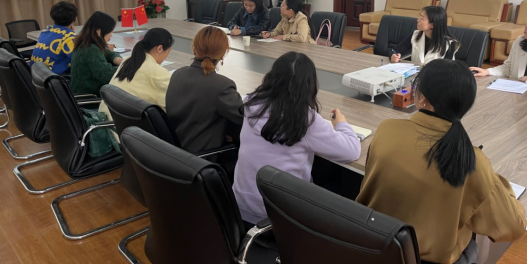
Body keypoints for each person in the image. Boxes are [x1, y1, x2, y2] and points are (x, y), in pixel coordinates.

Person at [356, 59, 526, 264]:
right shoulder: (472, 161)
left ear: (422, 99)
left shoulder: (386, 129)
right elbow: (514, 226)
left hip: (372, 250)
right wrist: (497, 183)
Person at [233, 52, 361, 225]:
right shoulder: (304, 119)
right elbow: (352, 151)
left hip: (241, 209)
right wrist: (341, 123)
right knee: (345, 187)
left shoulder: (252, 103)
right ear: (309, 86)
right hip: (282, 217)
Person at [166, 26, 243, 154]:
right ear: (223, 54)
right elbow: (246, 120)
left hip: (175, 152)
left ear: (194, 49)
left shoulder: (177, 74)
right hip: (204, 158)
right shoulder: (223, 86)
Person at [99, 28, 174, 119]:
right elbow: (176, 102)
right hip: (124, 126)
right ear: (159, 48)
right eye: (168, 52)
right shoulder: (158, 73)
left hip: (105, 120)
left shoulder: (128, 60)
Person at [70, 11, 123, 96]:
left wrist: (117, 59)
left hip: (84, 92)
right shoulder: (91, 49)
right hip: (90, 97)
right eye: (109, 31)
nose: (111, 35)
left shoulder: (86, 43)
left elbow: (108, 53)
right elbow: (107, 75)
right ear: (98, 31)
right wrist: (128, 67)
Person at [388, 6, 459, 64]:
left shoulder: (449, 44)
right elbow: (395, 50)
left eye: (422, 18)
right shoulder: (416, 35)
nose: (418, 20)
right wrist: (393, 56)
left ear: (432, 25)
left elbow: (448, 70)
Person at [30, 1, 79, 75]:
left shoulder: (46, 30)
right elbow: (80, 59)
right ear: (75, 19)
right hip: (55, 77)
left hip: (37, 74)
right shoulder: (69, 37)